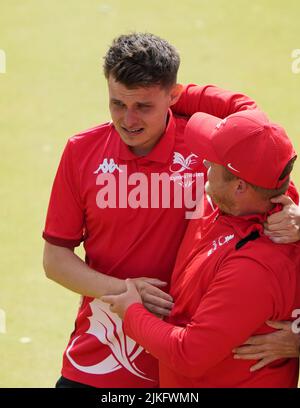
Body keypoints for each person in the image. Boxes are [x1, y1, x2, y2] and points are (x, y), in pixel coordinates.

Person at [43, 32, 299, 388]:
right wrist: (125, 290)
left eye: (144, 106)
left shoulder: (209, 155)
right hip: (101, 353)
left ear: (173, 97)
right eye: (117, 104)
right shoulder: (81, 151)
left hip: (189, 361)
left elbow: (264, 158)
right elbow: (55, 259)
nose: (128, 121)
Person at [102, 109, 300, 387]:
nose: (203, 161)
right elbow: (248, 123)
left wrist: (131, 311)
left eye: (213, 161)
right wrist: (170, 92)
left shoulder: (255, 269)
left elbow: (189, 354)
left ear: (240, 187)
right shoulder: (255, 196)